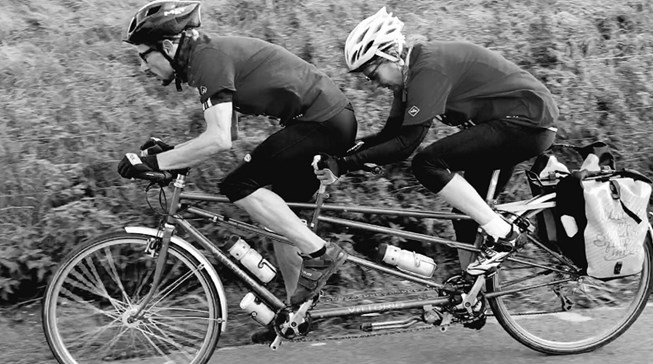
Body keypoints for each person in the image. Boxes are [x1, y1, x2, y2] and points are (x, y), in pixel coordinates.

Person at [117, 1, 357, 309]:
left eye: (143, 57)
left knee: (237, 185)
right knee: (282, 222)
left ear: (166, 45)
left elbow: (218, 139)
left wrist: (154, 163)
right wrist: (175, 155)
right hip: (324, 122)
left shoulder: (207, 59)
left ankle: (322, 254)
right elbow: (223, 133)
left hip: (323, 121)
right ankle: (297, 312)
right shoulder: (202, 58)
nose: (142, 67)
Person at [317, 7, 558, 276]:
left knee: (428, 163)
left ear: (392, 56)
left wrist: (345, 165)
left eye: (372, 74)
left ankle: (505, 234)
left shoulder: (429, 68)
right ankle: (470, 295)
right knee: (465, 212)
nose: (373, 83)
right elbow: (390, 135)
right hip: (508, 127)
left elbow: (406, 145)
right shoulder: (408, 78)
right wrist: (341, 154)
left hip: (527, 124)